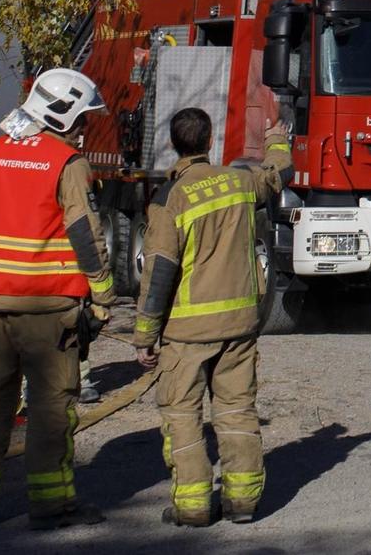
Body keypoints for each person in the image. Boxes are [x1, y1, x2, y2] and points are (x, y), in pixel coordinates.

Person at [0, 68, 116, 530]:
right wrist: (103, 296)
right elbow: (85, 233)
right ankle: (51, 505)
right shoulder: (66, 162)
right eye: (82, 119)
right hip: (48, 312)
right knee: (49, 411)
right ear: (61, 114)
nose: (85, 129)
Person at [133, 107, 292, 527]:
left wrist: (144, 335)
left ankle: (194, 505)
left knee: (183, 416)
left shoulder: (170, 198)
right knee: (237, 409)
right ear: (209, 142)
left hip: (187, 332)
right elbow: (277, 172)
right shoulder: (239, 182)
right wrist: (276, 135)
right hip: (239, 325)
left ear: (174, 144)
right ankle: (242, 503)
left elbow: (159, 272)